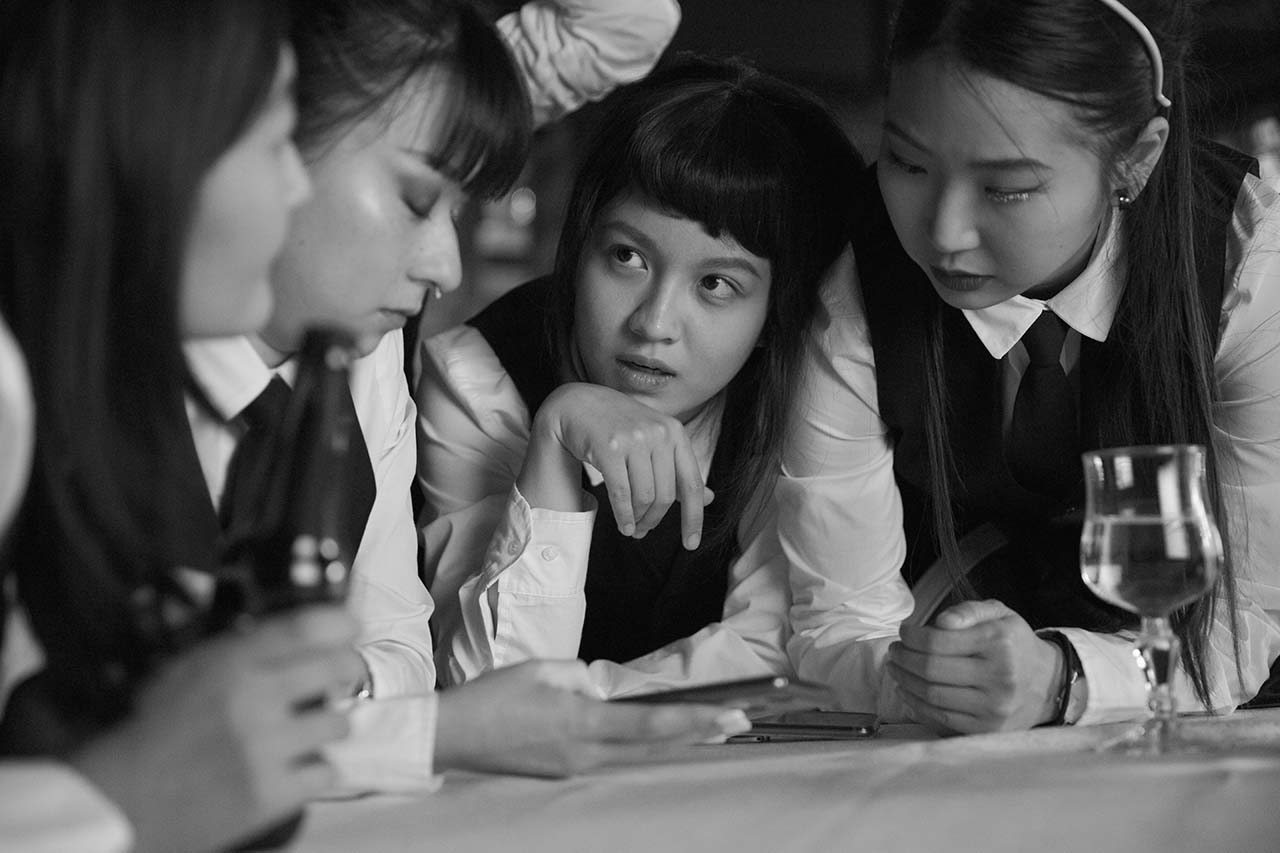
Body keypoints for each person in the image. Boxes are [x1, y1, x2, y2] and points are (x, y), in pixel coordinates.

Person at [182, 0, 742, 791]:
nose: (446, 267)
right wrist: (405, 730)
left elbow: (400, 653)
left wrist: (337, 711)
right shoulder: (66, 380)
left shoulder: (362, 358)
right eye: (417, 200)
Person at [777, 0, 1280, 733]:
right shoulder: (856, 290)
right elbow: (838, 624)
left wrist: (1063, 680)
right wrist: (936, 681)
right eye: (908, 162)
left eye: (1006, 187)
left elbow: (1249, 617)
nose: (944, 232)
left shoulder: (1248, 272)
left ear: (1137, 158)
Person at [0, 1, 356, 850]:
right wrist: (125, 797)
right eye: (277, 139)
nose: (297, 187)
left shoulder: (82, 388)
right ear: (149, 138)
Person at [420, 55, 863, 695]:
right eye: (627, 256)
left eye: (716, 284)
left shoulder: (809, 391)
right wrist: (554, 441)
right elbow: (489, 692)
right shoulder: (478, 376)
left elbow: (777, 651)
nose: (654, 323)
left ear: (775, 310)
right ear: (580, 244)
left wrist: (588, 706)